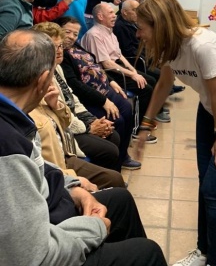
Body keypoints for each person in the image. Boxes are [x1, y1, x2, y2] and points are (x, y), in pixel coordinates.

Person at [0, 28, 168, 266]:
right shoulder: (8, 148)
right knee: (147, 253)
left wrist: (73, 189)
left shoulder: (14, 115)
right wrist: (94, 229)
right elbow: (34, 256)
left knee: (121, 200)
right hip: (43, 246)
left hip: (49, 209)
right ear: (42, 81)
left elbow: (38, 167)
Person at [134, 0, 216, 266]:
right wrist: (145, 125)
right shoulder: (170, 47)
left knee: (214, 190)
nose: (139, 35)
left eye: (142, 28)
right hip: (210, 111)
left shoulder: (203, 47)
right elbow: (164, 84)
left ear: (160, 24)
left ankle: (215, 262)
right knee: (206, 185)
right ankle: (203, 252)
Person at [56, 16, 153, 164]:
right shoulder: (60, 54)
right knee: (117, 120)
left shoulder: (76, 46)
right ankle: (116, 160)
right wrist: (104, 101)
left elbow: (95, 64)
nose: (71, 37)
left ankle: (123, 155)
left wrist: (111, 81)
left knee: (127, 108)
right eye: (67, 32)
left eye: (75, 34)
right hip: (90, 96)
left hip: (104, 87)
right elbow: (75, 85)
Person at [33, 21, 122, 171]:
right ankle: (103, 181)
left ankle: (106, 176)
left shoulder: (57, 68)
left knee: (113, 134)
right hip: (64, 131)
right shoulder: (42, 76)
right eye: (53, 47)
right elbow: (57, 115)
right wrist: (89, 128)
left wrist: (91, 119)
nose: (59, 51)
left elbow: (72, 98)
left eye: (60, 46)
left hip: (73, 120)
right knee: (110, 150)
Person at [81, 3, 161, 126]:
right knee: (145, 89)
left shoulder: (110, 32)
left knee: (150, 80)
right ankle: (138, 127)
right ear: (100, 16)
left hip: (116, 65)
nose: (115, 15)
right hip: (108, 72)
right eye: (111, 13)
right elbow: (106, 64)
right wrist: (132, 75)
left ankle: (146, 118)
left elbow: (120, 55)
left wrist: (133, 71)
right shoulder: (94, 35)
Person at [114, 0, 185, 98]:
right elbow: (128, 50)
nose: (137, 13)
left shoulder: (132, 22)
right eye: (135, 10)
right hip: (135, 60)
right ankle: (164, 95)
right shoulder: (120, 26)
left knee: (165, 64)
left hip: (142, 56)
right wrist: (147, 56)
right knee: (159, 73)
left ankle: (169, 87)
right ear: (125, 12)